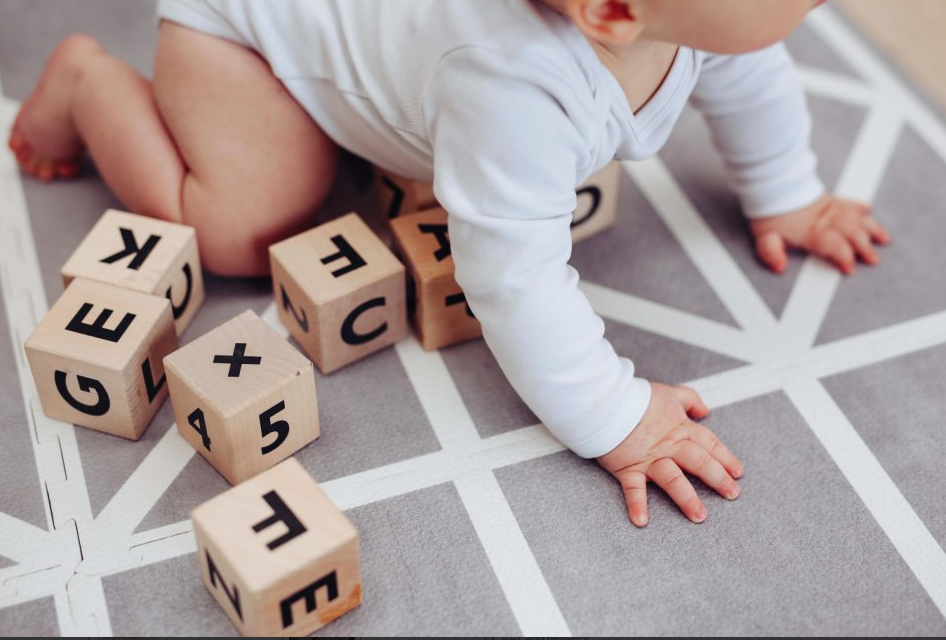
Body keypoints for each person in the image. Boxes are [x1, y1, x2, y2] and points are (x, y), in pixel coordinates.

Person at [8, 0, 890, 526]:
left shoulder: (682, 19)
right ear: (615, 11)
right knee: (247, 225)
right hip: (241, 34)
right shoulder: (515, 84)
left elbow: (751, 74)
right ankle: (90, 86)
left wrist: (788, 194)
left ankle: (367, 99)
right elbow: (513, 280)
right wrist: (614, 414)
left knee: (412, 147)